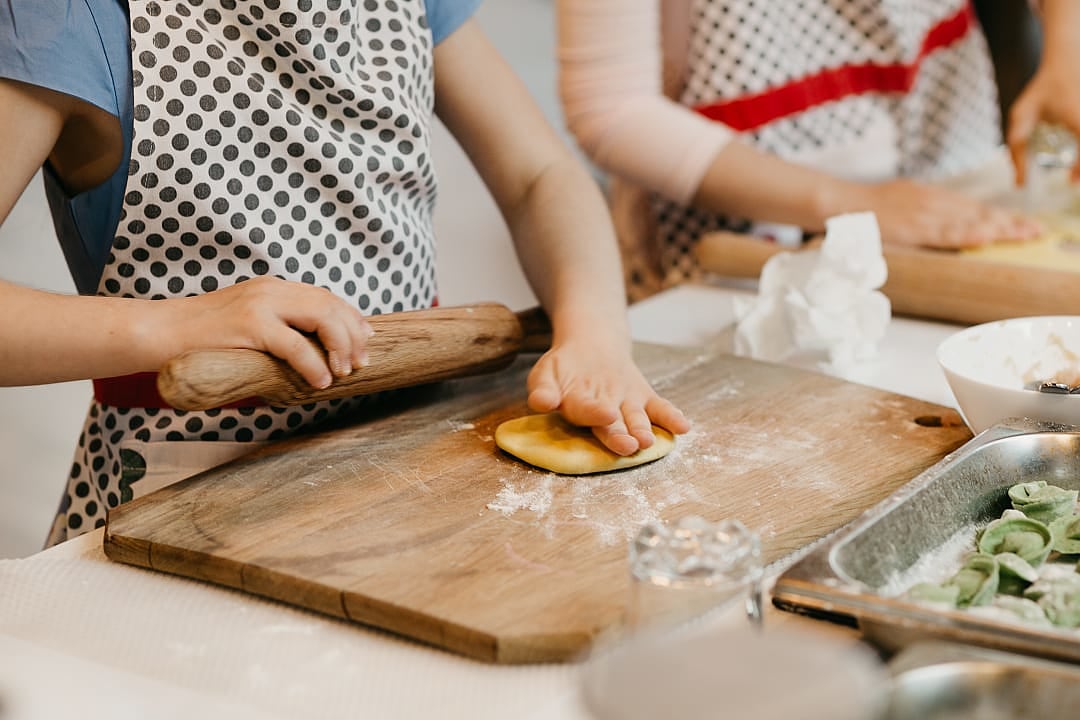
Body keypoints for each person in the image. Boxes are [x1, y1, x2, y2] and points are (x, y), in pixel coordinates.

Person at [0, 0, 690, 546]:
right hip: (182, 498)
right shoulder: (68, 17)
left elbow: (540, 176)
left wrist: (595, 332)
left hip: (415, 462)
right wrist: (177, 322)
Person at [556, 0, 1080, 299]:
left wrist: (1068, 46)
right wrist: (853, 203)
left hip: (954, 156)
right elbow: (613, 111)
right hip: (751, 224)